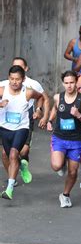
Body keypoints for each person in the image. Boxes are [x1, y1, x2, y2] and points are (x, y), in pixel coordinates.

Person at [0, 57, 50, 185]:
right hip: (5, 123)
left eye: (20, 67)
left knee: (22, 151)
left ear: (25, 70)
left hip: (25, 119)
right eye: (12, 78)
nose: (14, 81)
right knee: (6, 154)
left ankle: (19, 169)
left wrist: (41, 113)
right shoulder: (3, 85)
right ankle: (13, 176)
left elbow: (43, 98)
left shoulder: (32, 85)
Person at [47, 71, 81, 208]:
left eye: (72, 82)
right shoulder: (57, 97)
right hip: (59, 137)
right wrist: (49, 120)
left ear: (76, 82)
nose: (69, 86)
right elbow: (55, 110)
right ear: (63, 83)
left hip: (76, 140)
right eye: (66, 83)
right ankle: (61, 160)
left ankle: (65, 195)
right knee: (56, 166)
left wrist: (78, 115)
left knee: (73, 171)